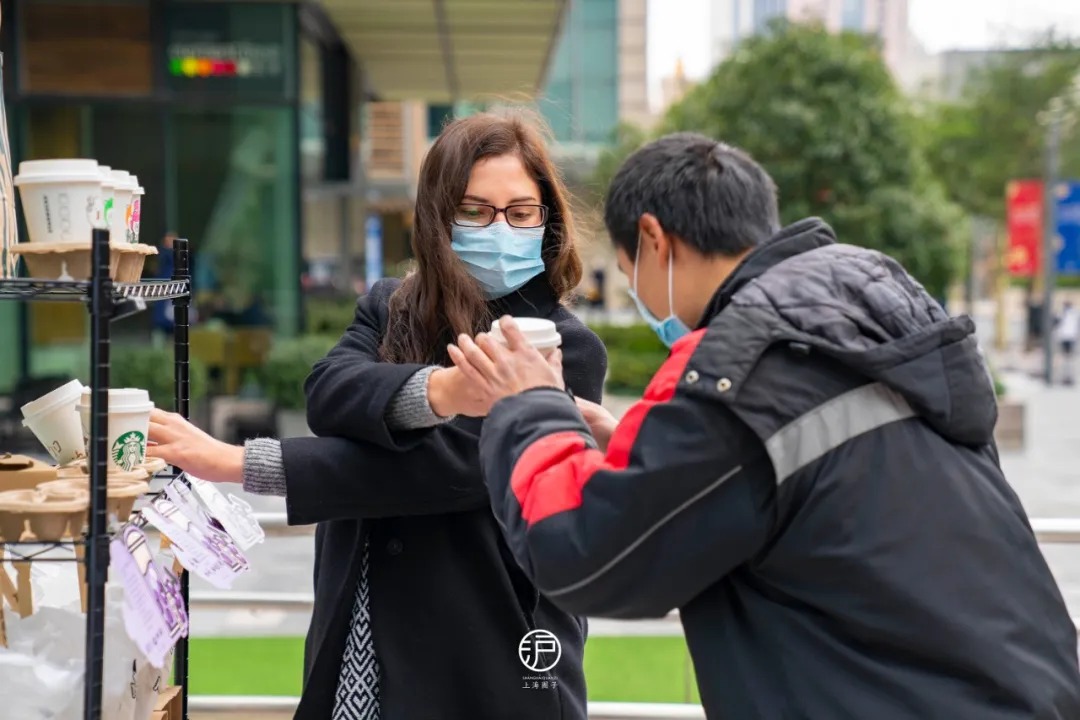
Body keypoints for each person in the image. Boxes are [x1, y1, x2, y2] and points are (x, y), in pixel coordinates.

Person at [447, 133, 1080, 719]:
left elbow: (584, 554)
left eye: (628, 265)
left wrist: (529, 405)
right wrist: (642, 453)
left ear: (653, 239)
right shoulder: (861, 317)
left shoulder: (740, 361)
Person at [149, 110, 606, 720]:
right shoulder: (390, 307)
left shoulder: (562, 347)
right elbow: (329, 395)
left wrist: (238, 463)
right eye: (475, 211)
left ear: (546, 221)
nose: (501, 229)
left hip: (490, 651)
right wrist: (442, 393)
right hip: (357, 633)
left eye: (520, 212)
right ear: (439, 217)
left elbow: (440, 469)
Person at [1057, 300, 1078, 385]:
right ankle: (1065, 376)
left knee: (1069, 358)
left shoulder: (1074, 313)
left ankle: (1069, 376)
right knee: (1066, 358)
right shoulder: (1061, 314)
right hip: (1064, 337)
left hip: (1070, 337)